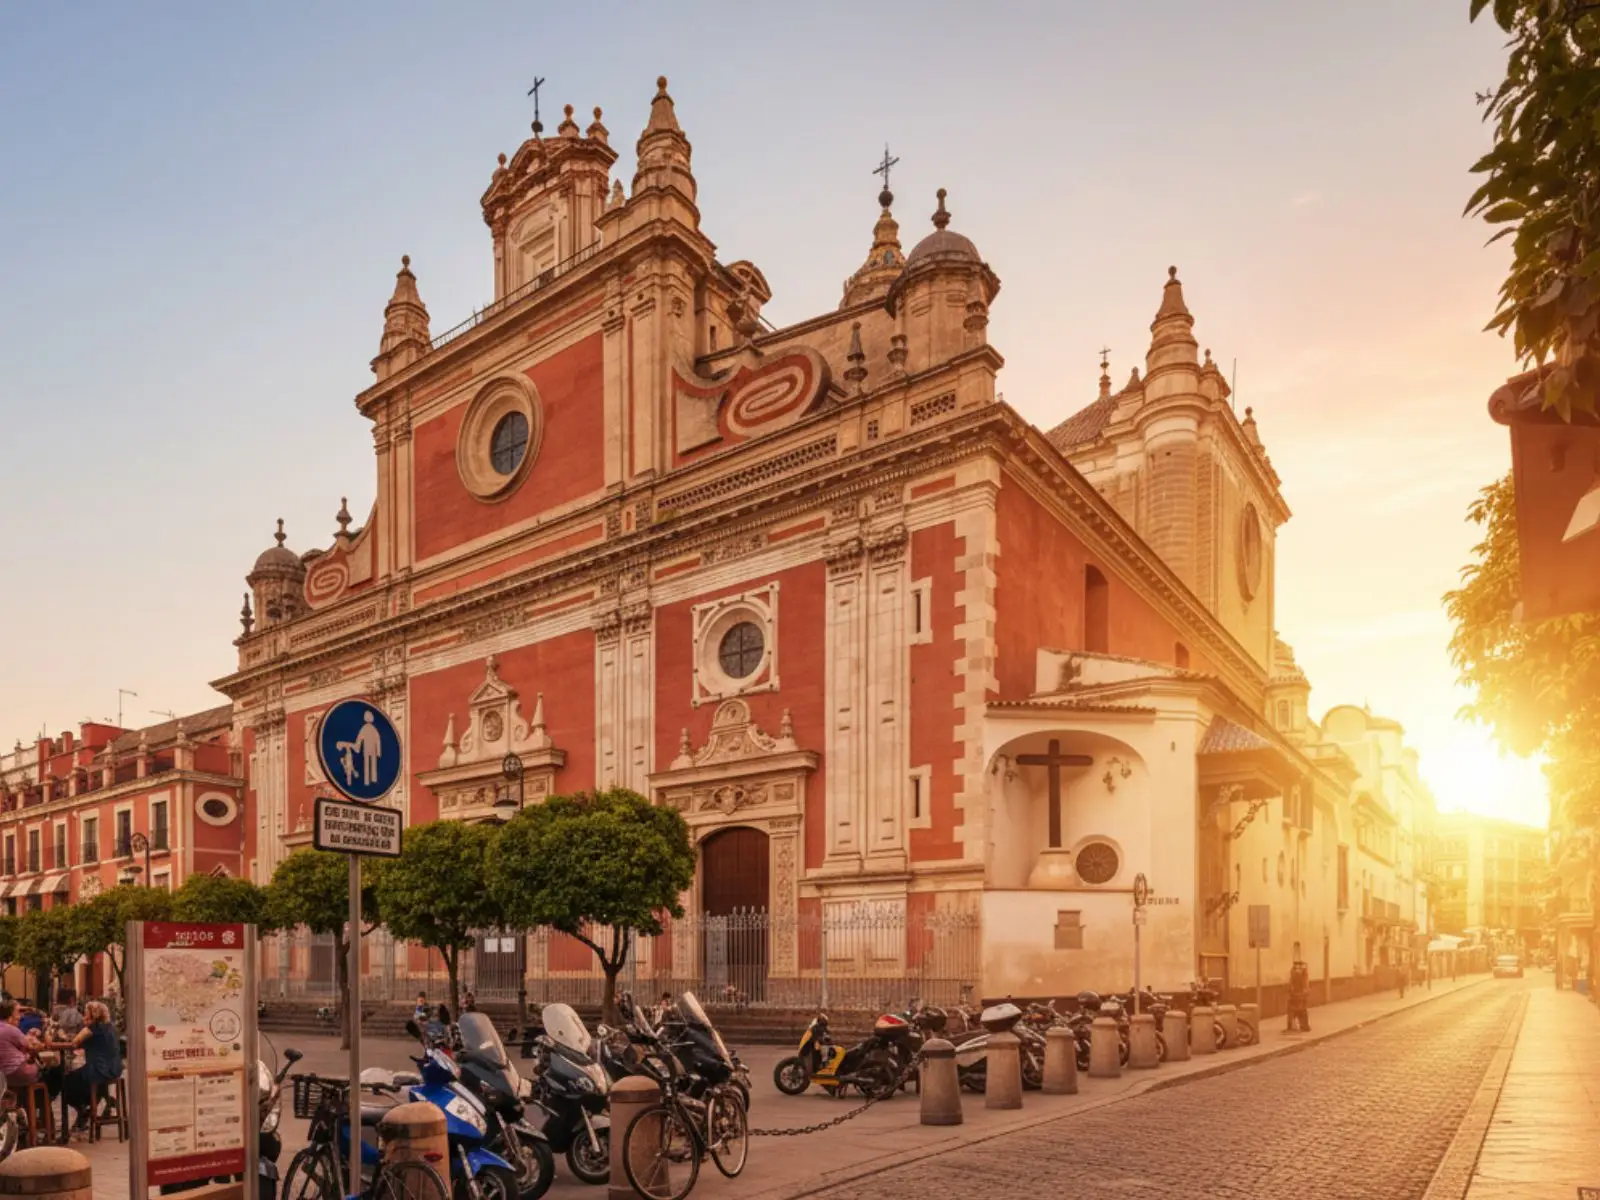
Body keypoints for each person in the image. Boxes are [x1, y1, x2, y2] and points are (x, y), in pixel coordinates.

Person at [58, 1002, 122, 1134]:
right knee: (91, 1084)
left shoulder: (92, 1028)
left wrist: (62, 1035)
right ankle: (96, 1105)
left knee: (66, 1081)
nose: (83, 1016)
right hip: (114, 1068)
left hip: (98, 1069)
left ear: (92, 1015)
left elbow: (74, 1042)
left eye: (86, 1013)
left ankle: (82, 1110)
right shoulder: (110, 1027)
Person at [0, 1000, 46, 1091]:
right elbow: (34, 1047)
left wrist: (29, 1036)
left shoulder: (5, 1028)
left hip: (3, 1075)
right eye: (17, 1013)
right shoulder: (11, 1029)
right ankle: (42, 1101)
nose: (20, 1017)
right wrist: (36, 1038)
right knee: (48, 1069)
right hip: (15, 1074)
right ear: (10, 1016)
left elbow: (18, 1042)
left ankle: (22, 1101)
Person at [1286, 957, 1311, 1032]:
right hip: (1299, 996)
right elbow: (1304, 986)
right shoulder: (1301, 975)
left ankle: (1295, 1026)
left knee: (1295, 1011)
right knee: (1300, 1011)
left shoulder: (1297, 974)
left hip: (1297, 996)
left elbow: (1292, 985)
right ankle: (1303, 1026)